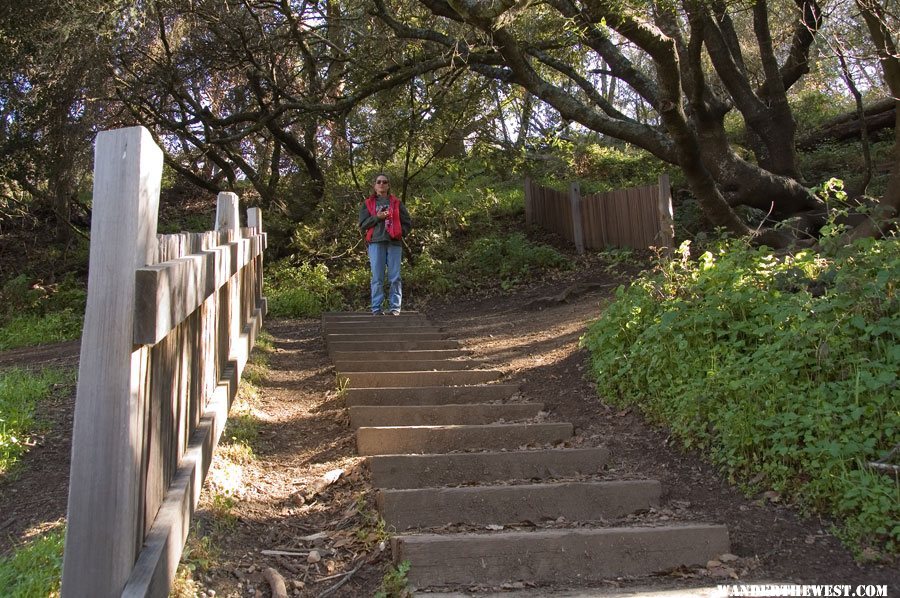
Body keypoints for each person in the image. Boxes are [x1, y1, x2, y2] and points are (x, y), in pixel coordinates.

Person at [358, 174, 412, 315]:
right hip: (376, 243)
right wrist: (377, 217)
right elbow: (363, 224)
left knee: (395, 277)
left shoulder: (396, 202)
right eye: (379, 182)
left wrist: (401, 233)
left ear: (388, 185)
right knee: (377, 277)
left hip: (394, 243)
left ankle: (395, 308)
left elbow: (407, 222)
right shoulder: (368, 203)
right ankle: (376, 308)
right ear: (375, 186)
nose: (381, 184)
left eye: (384, 182)